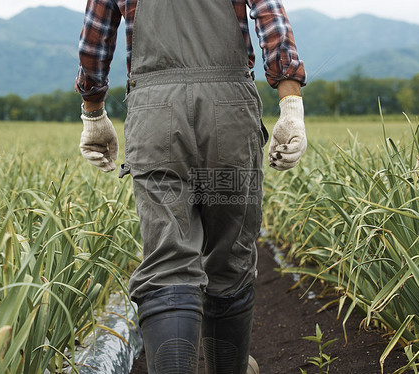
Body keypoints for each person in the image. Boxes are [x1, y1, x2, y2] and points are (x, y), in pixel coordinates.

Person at [76, 0, 307, 373]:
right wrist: (291, 104)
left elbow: (96, 38)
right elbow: (270, 17)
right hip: (228, 113)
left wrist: (93, 111)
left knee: (169, 260)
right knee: (229, 257)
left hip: (155, 115)